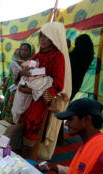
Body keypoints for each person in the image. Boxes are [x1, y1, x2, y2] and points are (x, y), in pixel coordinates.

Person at [16, 22, 72, 159]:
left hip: (42, 100)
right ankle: (19, 153)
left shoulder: (58, 57)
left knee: (32, 123)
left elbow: (58, 84)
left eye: (46, 36)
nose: (42, 39)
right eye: (41, 36)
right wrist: (22, 74)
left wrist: (37, 93)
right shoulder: (38, 55)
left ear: (54, 38)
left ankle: (28, 157)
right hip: (29, 96)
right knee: (21, 120)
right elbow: (26, 71)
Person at [0, 43, 34, 123]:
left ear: (30, 52)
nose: (23, 52)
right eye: (22, 49)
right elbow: (18, 73)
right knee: (11, 103)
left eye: (26, 50)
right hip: (14, 87)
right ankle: (8, 121)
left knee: (22, 105)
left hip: (25, 88)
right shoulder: (14, 62)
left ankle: (18, 122)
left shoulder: (33, 63)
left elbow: (30, 74)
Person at [70, 34, 94, 100]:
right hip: (77, 82)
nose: (75, 46)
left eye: (76, 44)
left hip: (69, 81)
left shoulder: (77, 53)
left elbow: (67, 60)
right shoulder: (89, 54)